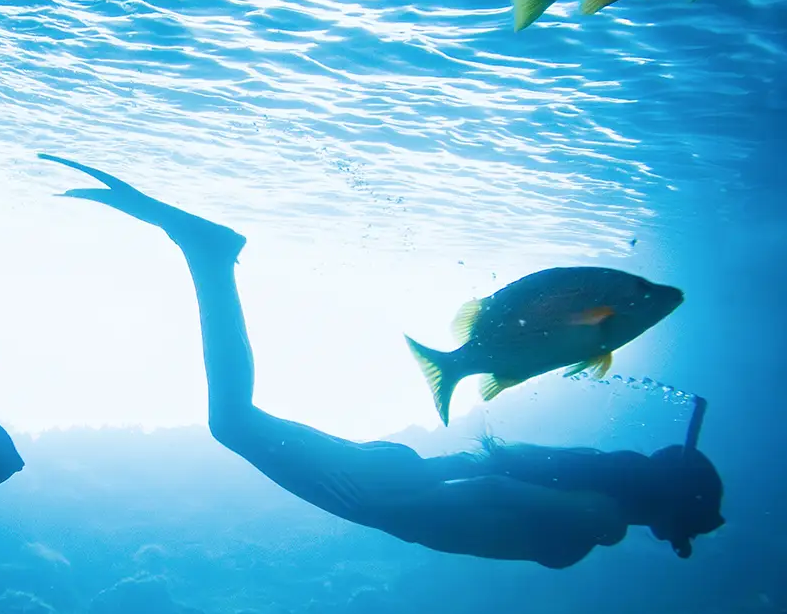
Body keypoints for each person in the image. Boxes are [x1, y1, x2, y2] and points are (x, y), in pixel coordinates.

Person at [43, 155, 724, 569]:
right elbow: (490, 494)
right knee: (232, 421)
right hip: (385, 492)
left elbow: (488, 475)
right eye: (690, 522)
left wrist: (420, 485)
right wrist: (401, 500)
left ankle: (208, 257)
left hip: (394, 483)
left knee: (234, 421)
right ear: (671, 503)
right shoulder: (598, 519)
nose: (679, 536)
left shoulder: (597, 502)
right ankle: (210, 257)